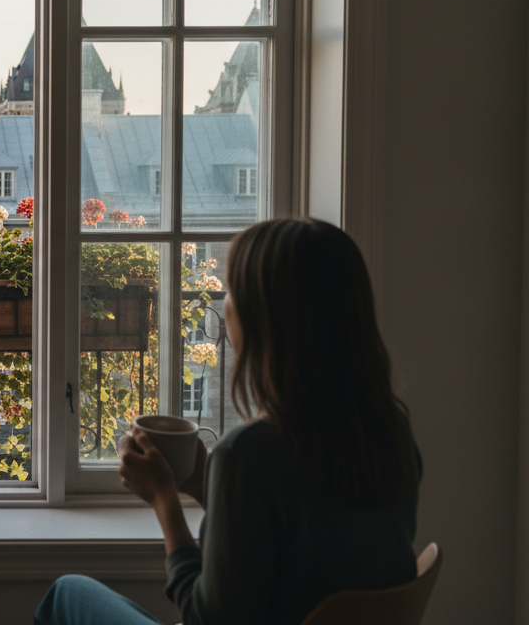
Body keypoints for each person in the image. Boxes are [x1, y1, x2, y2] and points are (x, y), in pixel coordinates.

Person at [36, 218, 422, 625]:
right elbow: (306, 549)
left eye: (233, 289)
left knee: (66, 594)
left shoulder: (250, 455)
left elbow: (207, 618)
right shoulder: (390, 433)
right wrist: (208, 488)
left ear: (266, 318)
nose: (226, 301)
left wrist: (164, 500)